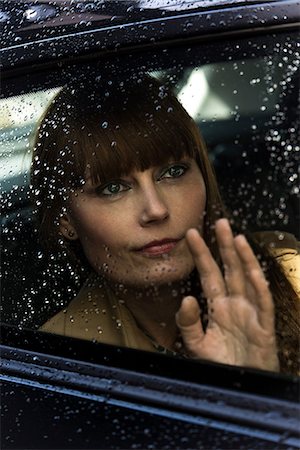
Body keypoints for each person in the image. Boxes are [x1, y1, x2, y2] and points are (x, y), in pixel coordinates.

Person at [31, 74, 300, 375]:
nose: (156, 210)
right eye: (112, 188)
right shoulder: (54, 359)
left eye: (173, 171)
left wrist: (259, 379)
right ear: (64, 219)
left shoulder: (289, 275)